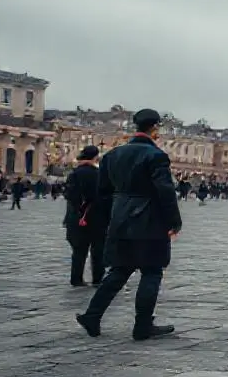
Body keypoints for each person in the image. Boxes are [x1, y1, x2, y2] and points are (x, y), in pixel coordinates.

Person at [76, 109, 182, 341]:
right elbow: (165, 191)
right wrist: (174, 220)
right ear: (155, 128)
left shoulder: (112, 155)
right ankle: (142, 325)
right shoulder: (156, 156)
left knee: (119, 270)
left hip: (120, 218)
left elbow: (102, 194)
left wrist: (109, 220)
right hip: (149, 220)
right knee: (152, 271)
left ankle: (92, 315)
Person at [64, 145, 106, 287]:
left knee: (78, 251)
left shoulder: (74, 173)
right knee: (98, 250)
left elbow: (69, 196)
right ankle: (98, 278)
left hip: (76, 217)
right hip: (97, 216)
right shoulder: (99, 173)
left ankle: (76, 278)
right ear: (95, 157)